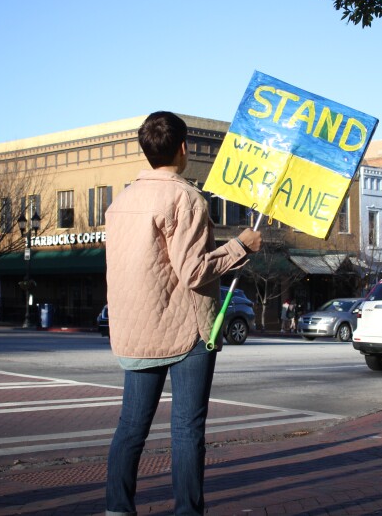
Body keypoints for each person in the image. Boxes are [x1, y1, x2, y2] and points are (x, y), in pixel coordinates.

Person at [104, 111, 262, 516]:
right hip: (186, 330)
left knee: (130, 428)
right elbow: (192, 272)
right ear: (183, 148)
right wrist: (239, 246)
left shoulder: (120, 201)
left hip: (137, 329)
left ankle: (117, 509)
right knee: (187, 429)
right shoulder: (186, 197)